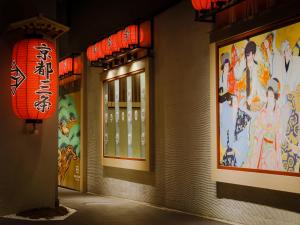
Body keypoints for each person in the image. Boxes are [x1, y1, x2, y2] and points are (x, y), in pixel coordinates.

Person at [245, 78, 282, 170]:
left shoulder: (278, 110)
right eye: (268, 95)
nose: (269, 98)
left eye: (271, 96)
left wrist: (270, 128)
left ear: (275, 96)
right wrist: (263, 128)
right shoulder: (263, 110)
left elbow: (278, 128)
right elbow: (257, 124)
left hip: (273, 145)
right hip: (262, 144)